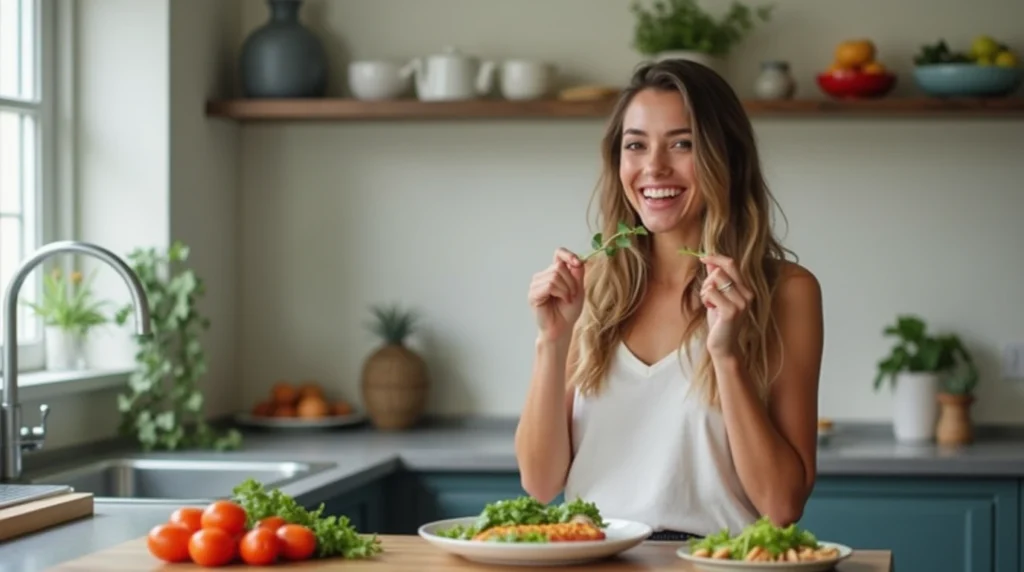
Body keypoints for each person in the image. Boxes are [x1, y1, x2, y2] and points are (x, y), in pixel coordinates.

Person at [514, 59, 823, 541]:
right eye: (636, 145)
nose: (654, 167)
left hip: (718, 562)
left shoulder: (785, 292)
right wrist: (551, 342)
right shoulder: (590, 284)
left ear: (728, 156)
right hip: (591, 555)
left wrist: (726, 355)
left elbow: (783, 506)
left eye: (683, 144)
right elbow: (539, 483)